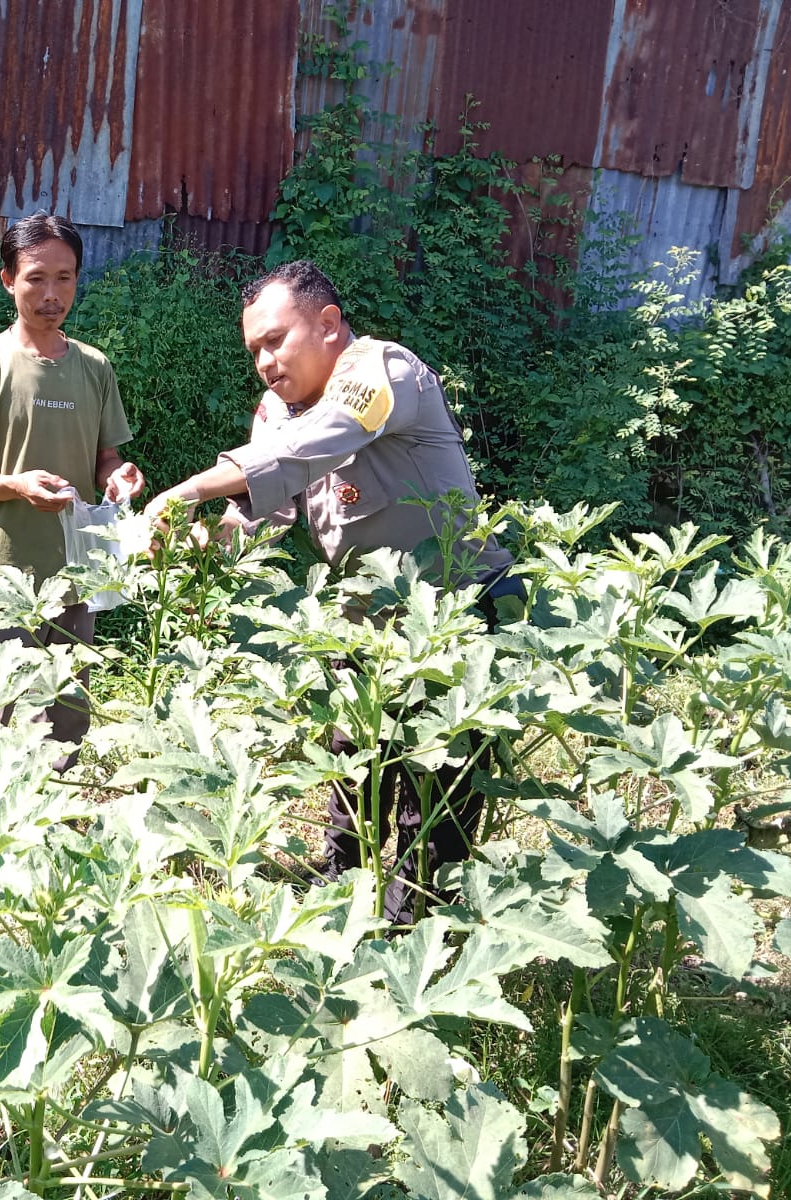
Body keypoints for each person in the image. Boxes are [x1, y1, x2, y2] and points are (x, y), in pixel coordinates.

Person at [144, 259, 518, 923]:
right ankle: (341, 909)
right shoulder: (279, 413)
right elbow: (257, 518)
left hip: (453, 612)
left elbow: (321, 441)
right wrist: (196, 544)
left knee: (436, 789)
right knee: (353, 772)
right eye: (254, 349)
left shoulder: (382, 373)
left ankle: (420, 932)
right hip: (364, 620)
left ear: (327, 324)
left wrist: (188, 488)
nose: (265, 360)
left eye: (276, 339)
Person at [0, 212, 145, 769]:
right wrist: (15, 484)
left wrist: (118, 477)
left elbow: (108, 459)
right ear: (8, 279)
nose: (51, 294)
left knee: (64, 715)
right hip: (4, 576)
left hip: (77, 572)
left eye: (65, 277)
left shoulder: (95, 368)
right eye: (36, 278)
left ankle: (53, 840)